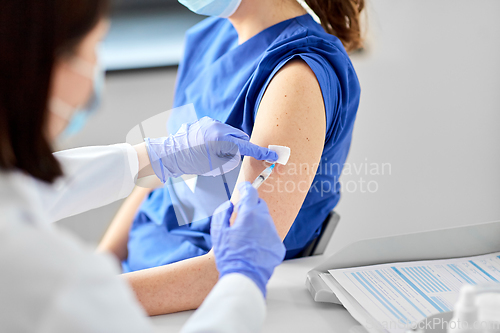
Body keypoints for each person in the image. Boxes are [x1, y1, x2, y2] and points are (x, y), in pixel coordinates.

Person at [0, 0, 285, 332]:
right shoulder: (55, 286)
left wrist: (155, 156)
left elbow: (25, 187)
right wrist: (242, 278)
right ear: (46, 65)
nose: (95, 64)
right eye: (95, 45)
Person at [99, 0, 364, 315]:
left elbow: (222, 271)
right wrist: (101, 262)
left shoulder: (296, 74)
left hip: (188, 305)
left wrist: (93, 297)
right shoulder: (211, 36)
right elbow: (162, 179)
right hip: (131, 280)